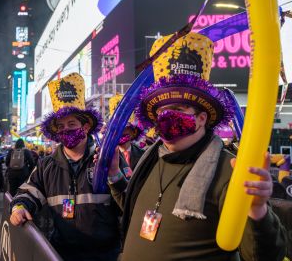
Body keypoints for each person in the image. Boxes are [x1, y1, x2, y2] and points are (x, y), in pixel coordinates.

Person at [107, 33, 286, 260]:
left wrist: (257, 210)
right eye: (162, 111)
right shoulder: (151, 158)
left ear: (201, 119)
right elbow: (135, 207)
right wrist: (114, 174)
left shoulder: (229, 170)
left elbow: (265, 256)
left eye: (178, 110)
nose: (166, 117)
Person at [9, 73, 121, 260]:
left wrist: (115, 174)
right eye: (60, 126)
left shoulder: (108, 159)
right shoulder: (47, 165)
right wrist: (19, 207)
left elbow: (127, 201)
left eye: (71, 124)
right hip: (61, 254)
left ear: (85, 127)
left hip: (105, 255)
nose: (65, 130)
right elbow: (28, 192)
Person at [108, 94, 144, 178]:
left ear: (133, 132)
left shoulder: (144, 155)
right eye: (117, 129)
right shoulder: (107, 155)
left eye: (125, 128)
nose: (120, 132)